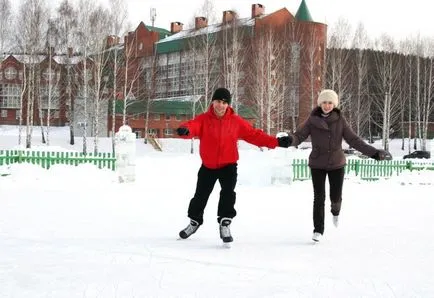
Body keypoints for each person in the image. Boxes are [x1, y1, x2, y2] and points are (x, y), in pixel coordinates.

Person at [176, 87, 291, 243]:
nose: (220, 105)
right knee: (200, 196)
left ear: (228, 104)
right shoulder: (204, 119)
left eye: (224, 102)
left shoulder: (236, 121)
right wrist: (185, 130)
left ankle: (225, 222)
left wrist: (276, 142)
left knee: (228, 194)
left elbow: (254, 135)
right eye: (218, 101)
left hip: (228, 165)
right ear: (213, 102)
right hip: (208, 166)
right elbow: (193, 125)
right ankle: (194, 222)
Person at [286, 89, 391, 242]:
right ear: (320, 103)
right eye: (324, 102)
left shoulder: (340, 120)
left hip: (336, 163)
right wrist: (289, 140)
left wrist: (374, 153)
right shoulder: (312, 120)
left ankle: (335, 212)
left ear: (334, 104)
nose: (327, 105)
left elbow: (354, 140)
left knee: (335, 196)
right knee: (319, 197)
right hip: (317, 163)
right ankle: (318, 230)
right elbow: (299, 136)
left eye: (330, 103)